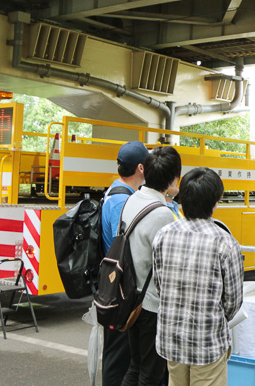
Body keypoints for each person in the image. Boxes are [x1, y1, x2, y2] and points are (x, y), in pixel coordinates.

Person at [153, 167, 244, 386]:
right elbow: (233, 302)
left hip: (171, 340)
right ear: (215, 203)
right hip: (207, 342)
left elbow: (159, 286)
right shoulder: (225, 242)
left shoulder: (163, 235)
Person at [119, 146, 182, 386]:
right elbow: (166, 266)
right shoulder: (162, 213)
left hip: (129, 296)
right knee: (151, 374)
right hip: (150, 305)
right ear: (173, 178)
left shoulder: (132, 199)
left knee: (135, 367)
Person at [101, 141, 148, 386]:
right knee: (118, 356)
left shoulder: (116, 191)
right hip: (119, 287)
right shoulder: (122, 200)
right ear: (141, 168)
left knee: (117, 352)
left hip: (112, 282)